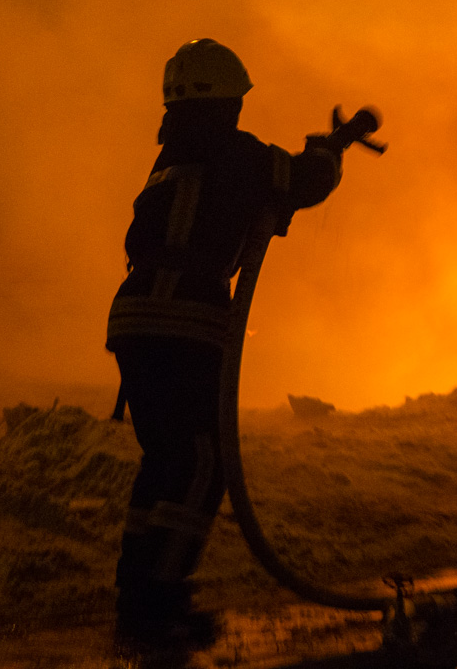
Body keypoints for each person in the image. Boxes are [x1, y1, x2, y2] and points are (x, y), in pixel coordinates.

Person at [106, 38, 346, 646]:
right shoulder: (232, 151)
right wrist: (328, 152)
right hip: (184, 318)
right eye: (237, 101)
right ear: (226, 103)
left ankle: (139, 584)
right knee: (199, 460)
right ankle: (160, 599)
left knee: (165, 457)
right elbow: (301, 180)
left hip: (137, 318)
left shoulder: (173, 157)